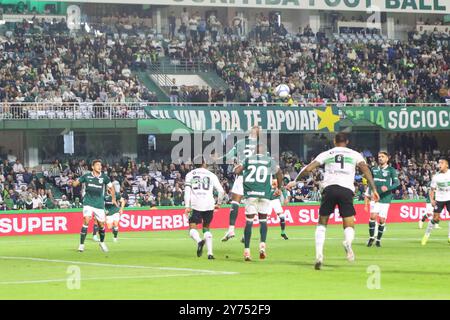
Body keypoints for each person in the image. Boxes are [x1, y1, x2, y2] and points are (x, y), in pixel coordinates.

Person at [287, 132, 379, 270]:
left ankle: (319, 255)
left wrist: (296, 181)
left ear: (334, 141)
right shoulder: (355, 154)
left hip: (329, 189)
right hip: (346, 190)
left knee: (322, 222)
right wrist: (374, 189)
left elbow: (308, 168)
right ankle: (348, 242)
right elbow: (366, 170)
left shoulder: (327, 154)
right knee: (349, 223)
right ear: (347, 141)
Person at [235, 144, 283, 261]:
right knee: (263, 221)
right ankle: (262, 247)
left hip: (251, 194)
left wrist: (240, 167)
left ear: (254, 150)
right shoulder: (269, 160)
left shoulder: (248, 159)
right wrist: (279, 188)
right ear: (265, 152)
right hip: (265, 194)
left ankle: (247, 251)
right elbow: (279, 172)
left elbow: (237, 171)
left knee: (249, 222)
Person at [221, 126, 263, 242]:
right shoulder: (261, 145)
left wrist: (218, 159)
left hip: (242, 175)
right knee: (251, 205)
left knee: (235, 202)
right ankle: (246, 234)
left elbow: (228, 156)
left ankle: (231, 229)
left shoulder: (240, 143)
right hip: (255, 177)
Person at [184, 157, 225, 260]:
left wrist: (187, 206)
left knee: (192, 227)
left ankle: (199, 241)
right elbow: (221, 191)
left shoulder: (190, 175)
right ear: (204, 163)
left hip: (195, 204)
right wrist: (219, 203)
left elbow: (187, 192)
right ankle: (210, 254)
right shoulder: (211, 175)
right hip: (209, 204)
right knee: (206, 227)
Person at [72, 159, 116, 253]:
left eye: (100, 165)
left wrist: (113, 198)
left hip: (99, 204)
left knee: (101, 225)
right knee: (86, 220)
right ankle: (81, 245)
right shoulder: (86, 176)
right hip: (88, 202)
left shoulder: (104, 177)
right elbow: (76, 183)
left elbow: (111, 187)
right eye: (97, 165)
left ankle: (102, 242)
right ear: (92, 167)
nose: (100, 167)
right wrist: (73, 183)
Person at [364, 152, 399, 247]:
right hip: (375, 198)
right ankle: (371, 238)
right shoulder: (374, 169)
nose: (380, 158)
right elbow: (370, 183)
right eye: (379, 156)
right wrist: (368, 197)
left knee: (382, 220)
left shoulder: (391, 170)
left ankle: (378, 240)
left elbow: (397, 183)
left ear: (387, 158)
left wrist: (388, 188)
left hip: (386, 198)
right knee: (373, 216)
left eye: (382, 157)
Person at [421, 158, 450, 245]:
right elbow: (432, 190)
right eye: (439, 163)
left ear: (447, 165)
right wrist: (432, 200)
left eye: (442, 163)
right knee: (435, 219)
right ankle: (426, 235)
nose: (440, 164)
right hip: (440, 199)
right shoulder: (436, 177)